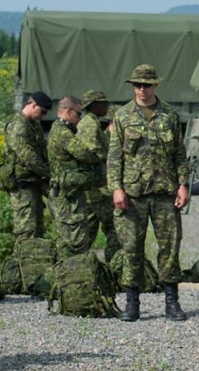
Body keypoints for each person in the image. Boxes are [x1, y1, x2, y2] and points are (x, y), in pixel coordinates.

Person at [107, 64, 190, 322]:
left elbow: (179, 153)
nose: (142, 89)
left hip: (164, 192)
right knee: (132, 249)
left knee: (170, 248)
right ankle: (132, 303)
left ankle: (172, 302)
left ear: (156, 85)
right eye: (137, 85)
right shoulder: (122, 117)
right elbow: (114, 156)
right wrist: (116, 188)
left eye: (147, 84)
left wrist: (183, 184)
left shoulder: (169, 116)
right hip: (133, 194)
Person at [47, 96, 102, 258]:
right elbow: (83, 153)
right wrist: (98, 157)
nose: (80, 119)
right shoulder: (63, 133)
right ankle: (70, 275)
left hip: (66, 191)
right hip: (67, 195)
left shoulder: (57, 129)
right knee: (74, 241)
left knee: (70, 239)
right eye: (78, 114)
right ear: (68, 111)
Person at [0, 91, 52, 241]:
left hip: (33, 181)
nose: (42, 116)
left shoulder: (34, 124)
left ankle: (34, 262)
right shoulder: (18, 126)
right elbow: (29, 157)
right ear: (33, 105)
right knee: (26, 230)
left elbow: (42, 148)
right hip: (22, 183)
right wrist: (49, 173)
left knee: (37, 228)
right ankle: (21, 262)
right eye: (42, 112)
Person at [78, 89, 121, 263]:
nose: (106, 106)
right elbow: (91, 152)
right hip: (96, 189)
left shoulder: (93, 123)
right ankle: (113, 261)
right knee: (110, 226)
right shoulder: (89, 124)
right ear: (94, 105)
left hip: (97, 188)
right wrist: (109, 161)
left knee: (91, 229)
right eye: (103, 103)